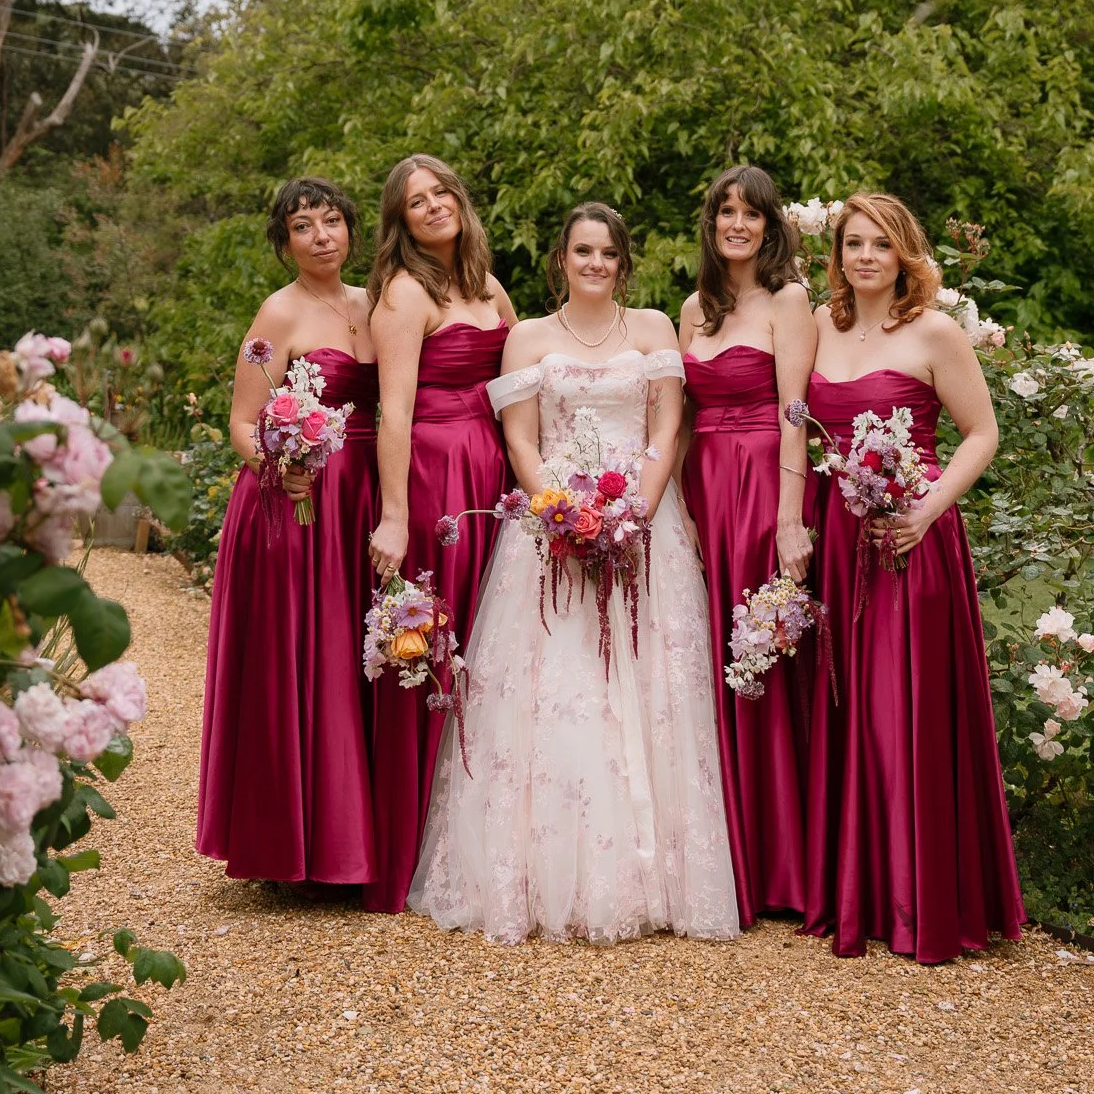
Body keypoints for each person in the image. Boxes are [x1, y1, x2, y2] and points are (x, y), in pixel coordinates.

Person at [410, 202, 739, 944]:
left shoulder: (653, 329)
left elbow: (666, 427)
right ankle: (537, 874)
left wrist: (637, 515)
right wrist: (560, 514)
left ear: (624, 264)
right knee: (548, 694)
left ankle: (652, 876)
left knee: (649, 691)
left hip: (642, 528)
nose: (595, 264)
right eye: (582, 251)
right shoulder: (528, 336)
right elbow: (520, 441)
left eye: (608, 254)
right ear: (560, 258)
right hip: (549, 531)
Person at [802, 191, 1025, 962]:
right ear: (836, 256)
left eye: (879, 245)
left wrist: (926, 509)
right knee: (848, 706)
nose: (864, 257)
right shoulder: (818, 330)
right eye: (852, 245)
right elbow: (796, 428)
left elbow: (981, 433)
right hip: (837, 535)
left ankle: (917, 900)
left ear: (903, 255)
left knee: (903, 710)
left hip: (908, 536)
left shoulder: (933, 331)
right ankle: (852, 889)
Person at [197, 177, 378, 884]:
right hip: (295, 502)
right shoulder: (275, 314)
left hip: (363, 496)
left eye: (332, 221)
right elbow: (242, 420)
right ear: (284, 244)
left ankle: (358, 838)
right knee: (301, 658)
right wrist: (281, 465)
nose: (322, 236)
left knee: (356, 653)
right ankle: (294, 846)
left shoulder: (373, 303)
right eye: (304, 227)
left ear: (351, 231)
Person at [363, 155, 515, 913]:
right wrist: (394, 515)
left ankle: (478, 834)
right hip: (434, 477)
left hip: (493, 474)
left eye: (441, 193)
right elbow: (393, 411)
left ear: (461, 198)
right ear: (400, 221)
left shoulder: (488, 288)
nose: (431, 207)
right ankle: (408, 845)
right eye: (414, 202)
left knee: (492, 645)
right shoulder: (403, 292)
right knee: (433, 646)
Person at [678, 165, 817, 926]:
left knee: (760, 651)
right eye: (725, 211)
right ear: (711, 223)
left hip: (765, 483)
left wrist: (790, 519)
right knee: (708, 658)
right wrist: (684, 515)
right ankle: (725, 854)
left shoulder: (789, 300)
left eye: (750, 213)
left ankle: (783, 867)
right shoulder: (693, 308)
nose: (736, 224)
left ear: (769, 225)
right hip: (704, 492)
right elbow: (678, 416)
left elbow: (796, 410)